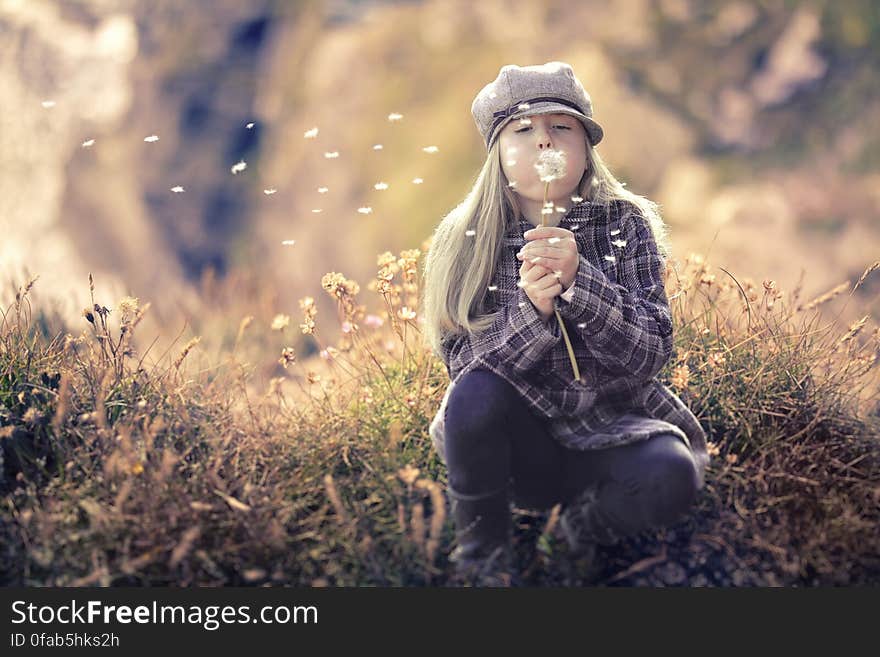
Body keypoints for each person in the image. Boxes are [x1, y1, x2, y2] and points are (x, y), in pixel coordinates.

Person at [421, 62, 711, 586]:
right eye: (523, 131)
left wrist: (583, 286)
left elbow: (650, 354)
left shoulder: (624, 223)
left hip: (612, 427)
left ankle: (571, 537)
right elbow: (464, 376)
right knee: (475, 394)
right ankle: (484, 558)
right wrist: (531, 312)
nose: (544, 142)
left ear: (585, 148)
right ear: (496, 152)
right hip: (519, 447)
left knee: (674, 473)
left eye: (562, 127)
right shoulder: (465, 238)